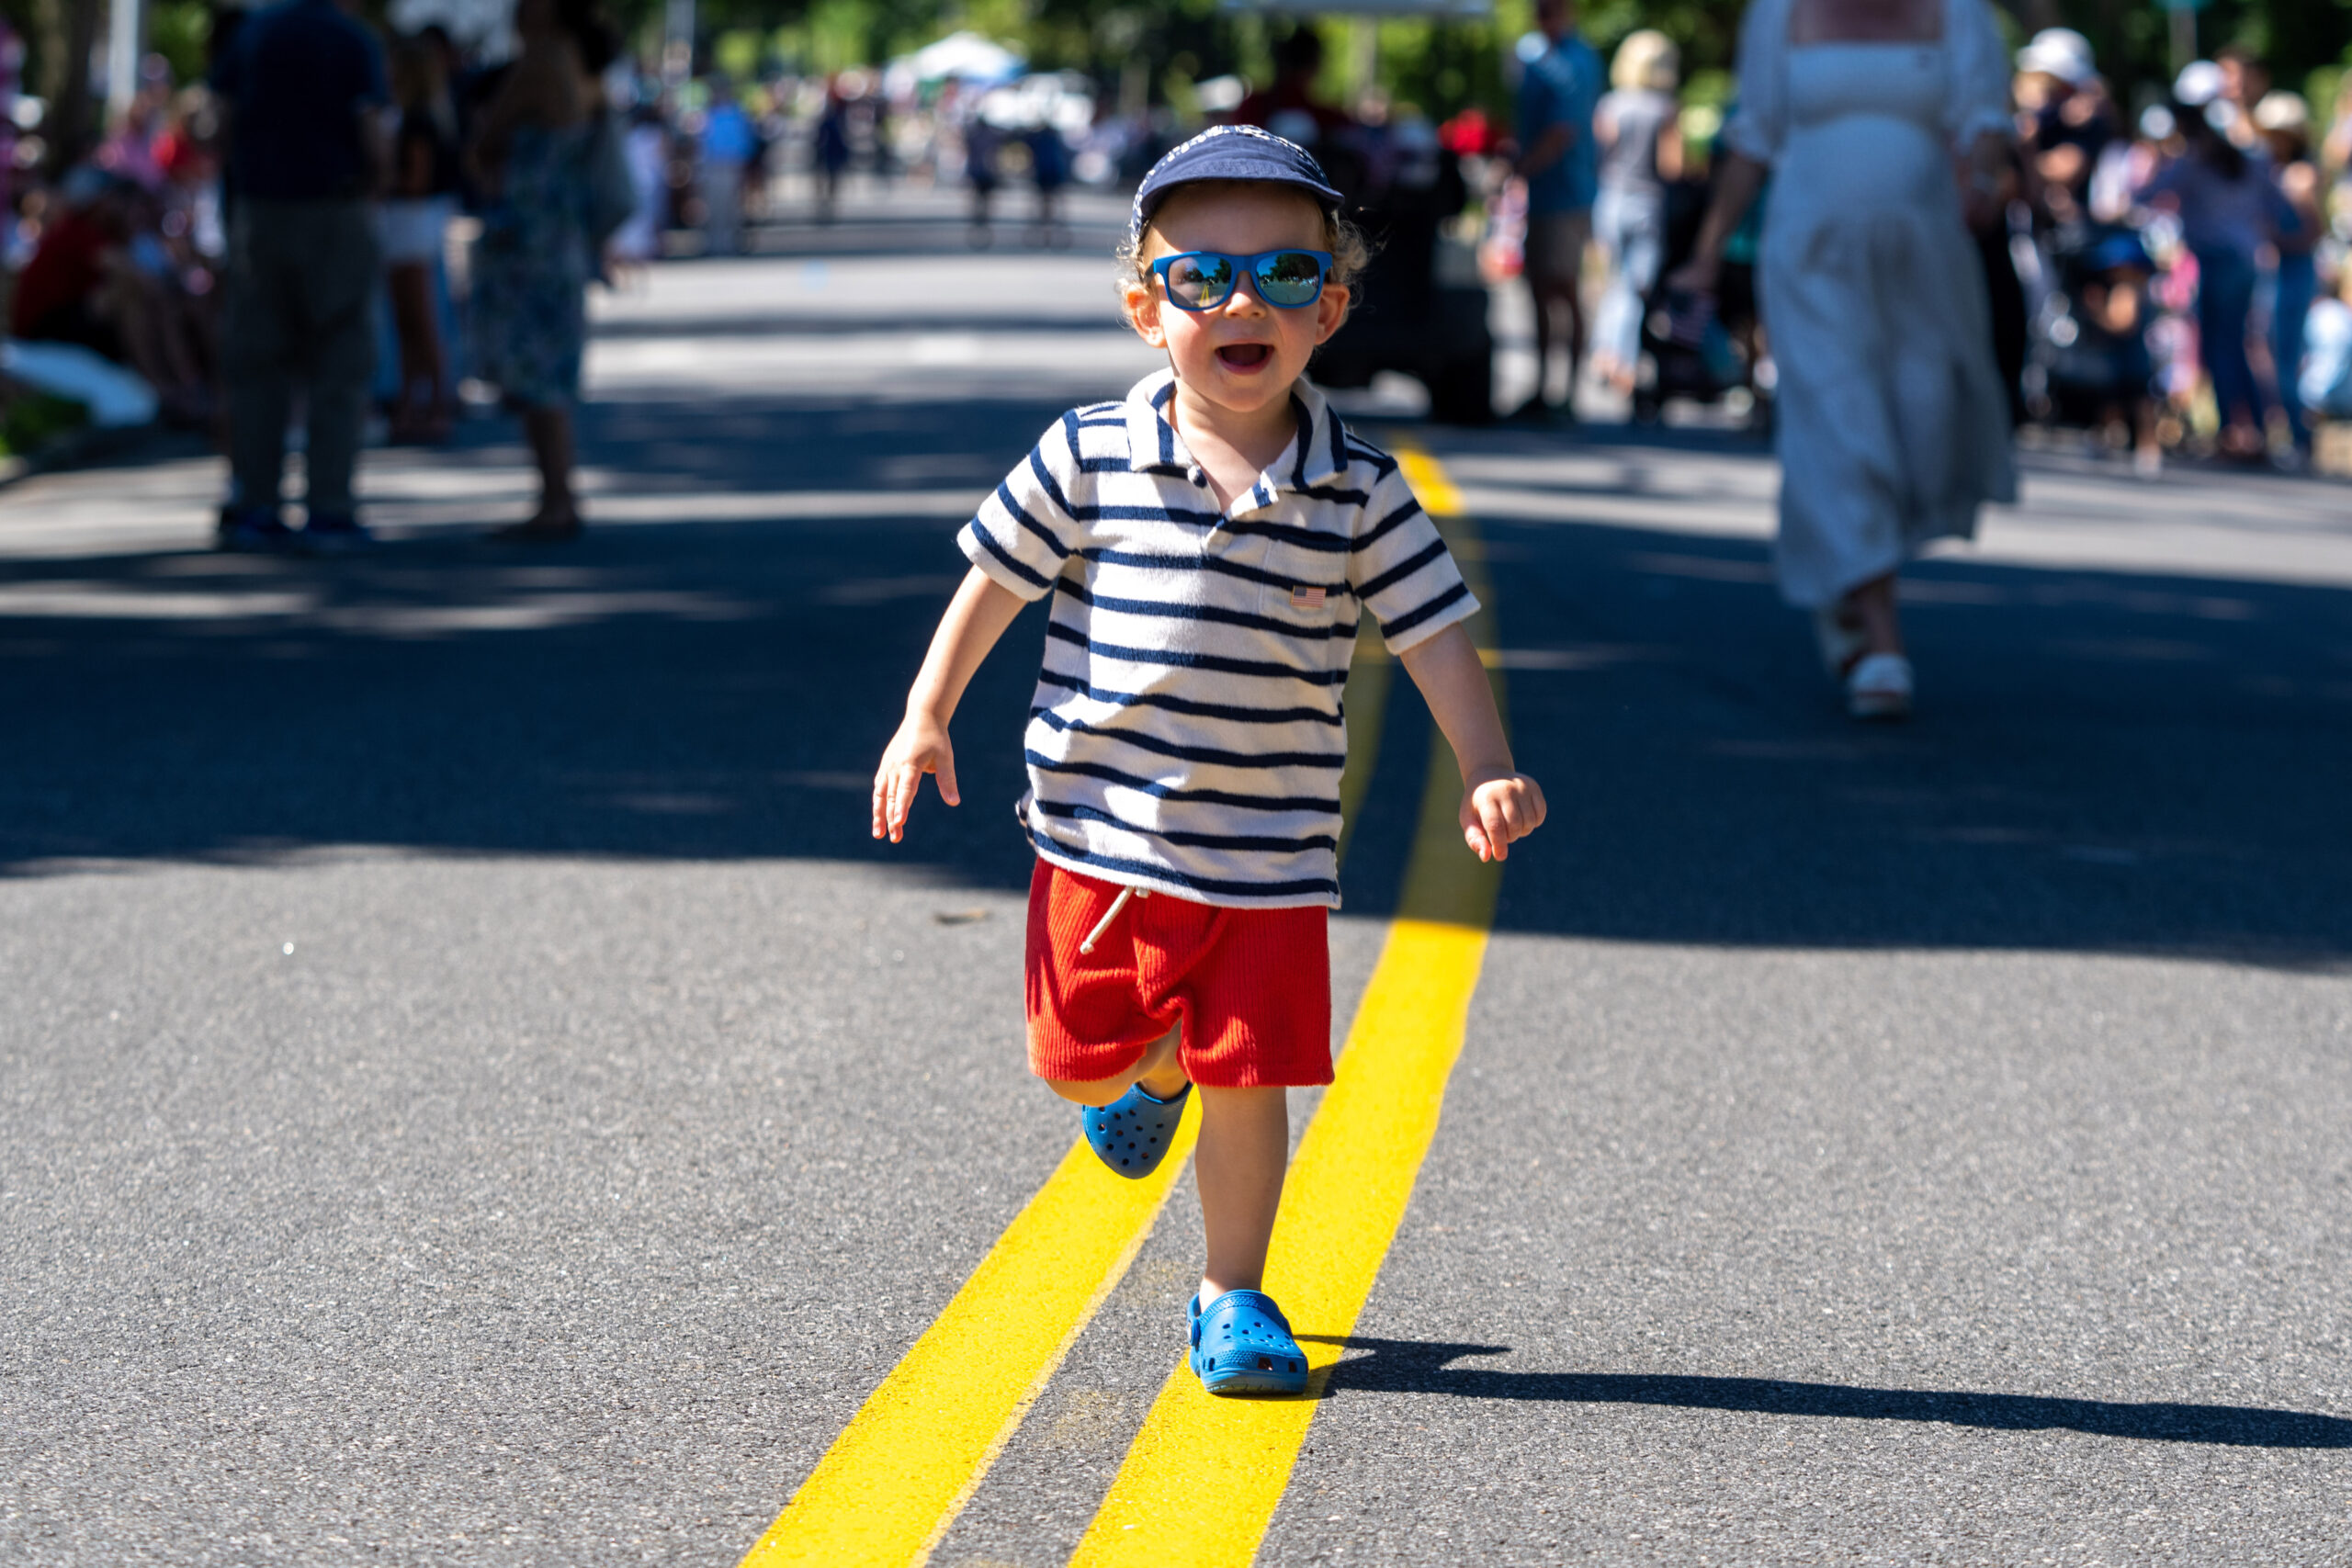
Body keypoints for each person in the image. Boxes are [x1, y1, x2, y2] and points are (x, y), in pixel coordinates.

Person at [869, 126, 1545, 1398]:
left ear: (1331, 307)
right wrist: (927, 711)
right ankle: (1149, 1068)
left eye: (1287, 276)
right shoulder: (1087, 454)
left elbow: (1432, 633)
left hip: (1268, 848)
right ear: (1144, 306)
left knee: (1257, 1076)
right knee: (1079, 1060)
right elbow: (994, 582)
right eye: (1202, 278)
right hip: (1100, 835)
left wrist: (1488, 761)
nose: (1244, 301)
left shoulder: (1360, 490)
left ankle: (1234, 1290)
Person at [1667, 0, 2018, 720]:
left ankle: (1845, 580)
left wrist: (1980, 181)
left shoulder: (1959, 13)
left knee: (1925, 422)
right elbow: (1754, 136)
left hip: (1925, 259)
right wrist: (1706, 255)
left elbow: (1986, 119)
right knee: (1841, 421)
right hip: (1812, 253)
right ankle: (1882, 640)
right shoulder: (1778, 14)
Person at [209, 0, 389, 554]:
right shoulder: (352, 39)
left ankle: (256, 502)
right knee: (338, 361)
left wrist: (237, 196)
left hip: (261, 211)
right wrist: (370, 193)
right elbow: (373, 133)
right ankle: (329, 506)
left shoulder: (254, 35)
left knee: (258, 364)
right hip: (333, 208)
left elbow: (219, 122)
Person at [465, 0, 613, 542]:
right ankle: (558, 495)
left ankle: (555, 498)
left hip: (529, 237)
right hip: (561, 235)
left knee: (537, 376)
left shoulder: (541, 62)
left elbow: (484, 142)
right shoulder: (582, 62)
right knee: (549, 372)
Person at [2137, 82, 2297, 463]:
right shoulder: (2252, 161)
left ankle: (2233, 433)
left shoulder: (2194, 162)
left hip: (2217, 261)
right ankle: (2256, 432)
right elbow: (2281, 209)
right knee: (2237, 347)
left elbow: (2145, 195)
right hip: (2245, 260)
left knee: (2220, 349)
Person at [1510, 0, 1603, 422]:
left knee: (1564, 286)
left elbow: (1563, 130)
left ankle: (1569, 393)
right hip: (1543, 193)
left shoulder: (1575, 61)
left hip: (1568, 192)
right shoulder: (1534, 56)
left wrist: (1525, 167)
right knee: (1537, 289)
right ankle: (1544, 385)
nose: (1543, 16)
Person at [1590, 29, 1682, 398]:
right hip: (1646, 203)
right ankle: (1620, 360)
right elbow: (1671, 166)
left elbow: (1600, 155)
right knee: (1634, 288)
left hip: (1610, 199)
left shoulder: (1609, 105)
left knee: (1613, 282)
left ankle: (1602, 351)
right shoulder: (1664, 108)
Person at [383, 36, 459, 443]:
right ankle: (414, 404)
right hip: (412, 223)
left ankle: (436, 406)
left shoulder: (417, 121)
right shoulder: (423, 116)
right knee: (409, 323)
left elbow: (415, 181)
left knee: (421, 321)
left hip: (410, 223)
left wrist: (378, 180)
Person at [2255, 92, 2320, 467]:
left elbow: (2312, 233)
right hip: (2274, 270)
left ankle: (2299, 436)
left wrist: (2272, 236)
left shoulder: (2301, 176)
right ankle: (2281, 432)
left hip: (2293, 271)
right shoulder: (2270, 172)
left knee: (2286, 356)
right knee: (2266, 351)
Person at [697, 76, 753, 255]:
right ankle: (714, 243)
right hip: (713, 165)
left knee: (731, 208)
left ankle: (729, 243)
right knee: (714, 207)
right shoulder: (710, 115)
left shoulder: (736, 114)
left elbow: (745, 142)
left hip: (731, 164)